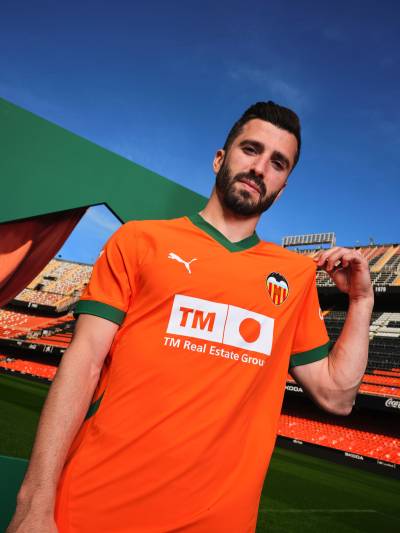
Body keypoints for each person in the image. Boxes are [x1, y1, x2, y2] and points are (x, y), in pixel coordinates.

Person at [8, 101, 374, 533]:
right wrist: (34, 500)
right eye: (251, 149)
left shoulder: (294, 276)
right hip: (92, 508)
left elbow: (337, 396)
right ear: (220, 158)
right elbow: (83, 364)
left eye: (278, 163)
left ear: (282, 188)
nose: (260, 168)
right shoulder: (139, 240)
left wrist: (361, 301)